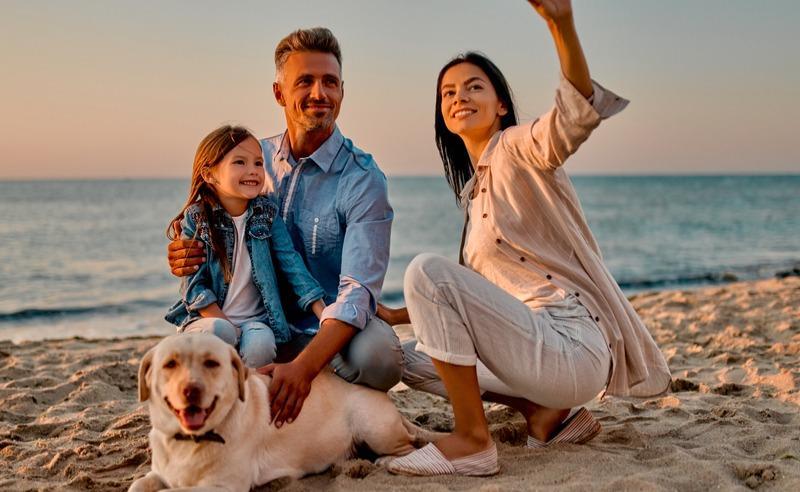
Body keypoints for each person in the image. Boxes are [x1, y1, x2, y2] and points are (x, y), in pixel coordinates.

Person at [379, 0, 671, 476]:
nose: (459, 97)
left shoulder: (518, 148)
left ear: (501, 104)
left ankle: (472, 441)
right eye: (448, 92)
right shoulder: (475, 194)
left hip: (570, 342)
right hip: (535, 347)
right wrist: (396, 315)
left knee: (425, 270)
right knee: (407, 360)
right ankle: (545, 413)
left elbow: (572, 116)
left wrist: (561, 24)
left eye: (474, 86)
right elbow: (474, 299)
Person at [167, 28, 402, 428]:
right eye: (305, 81)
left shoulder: (362, 178)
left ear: (342, 92)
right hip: (255, 319)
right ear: (279, 93)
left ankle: (314, 382)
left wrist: (304, 369)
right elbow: (206, 219)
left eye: (330, 82)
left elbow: (357, 290)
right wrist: (183, 251)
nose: (319, 93)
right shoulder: (251, 161)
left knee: (378, 357)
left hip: (322, 326)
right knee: (224, 338)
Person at [164, 125, 326, 369]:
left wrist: (323, 314)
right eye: (240, 162)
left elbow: (292, 264)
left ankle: (245, 388)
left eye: (258, 163)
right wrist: (229, 326)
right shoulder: (196, 219)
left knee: (261, 345)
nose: (253, 171)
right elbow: (193, 286)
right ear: (209, 174)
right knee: (220, 332)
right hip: (208, 318)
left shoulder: (267, 214)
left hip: (256, 321)